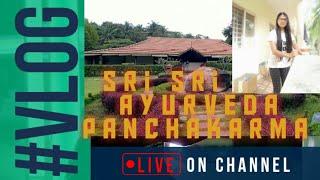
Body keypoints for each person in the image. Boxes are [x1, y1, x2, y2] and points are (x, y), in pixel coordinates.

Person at [268, 12, 303, 93]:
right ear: (277, 20)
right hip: (274, 65)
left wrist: (300, 51)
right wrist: (289, 55)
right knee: (277, 88)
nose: (282, 21)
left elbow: (295, 45)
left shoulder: (290, 34)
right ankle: (277, 104)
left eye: (285, 19)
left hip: (286, 64)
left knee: (286, 86)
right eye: (281, 19)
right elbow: (274, 51)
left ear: (287, 21)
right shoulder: (272, 33)